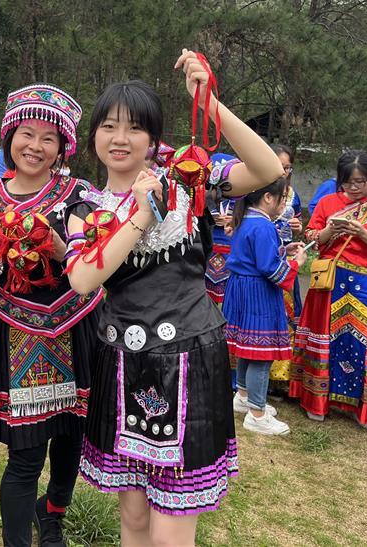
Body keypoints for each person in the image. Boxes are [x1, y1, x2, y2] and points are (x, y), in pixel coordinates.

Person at [66, 52, 283, 546]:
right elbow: (83, 279)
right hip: (122, 362)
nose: (120, 138)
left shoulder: (187, 183)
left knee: (170, 532)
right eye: (109, 126)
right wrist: (141, 214)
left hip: (188, 358)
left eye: (135, 128)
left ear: (153, 138)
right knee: (133, 518)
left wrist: (209, 105)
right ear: (93, 136)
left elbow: (267, 168)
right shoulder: (85, 208)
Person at [0, 84, 102, 547]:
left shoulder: (79, 196)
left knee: (71, 438)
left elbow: (93, 267)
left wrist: (59, 248)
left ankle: (53, 513)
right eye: (27, 134)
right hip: (19, 334)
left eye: (48, 138)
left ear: (63, 147)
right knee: (24, 458)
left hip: (75, 329)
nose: (35, 146)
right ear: (10, 137)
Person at [290, 150, 367, 430]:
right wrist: (331, 231)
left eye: (360, 181)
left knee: (361, 345)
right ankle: (317, 399)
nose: (354, 187)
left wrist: (362, 233)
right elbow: (313, 236)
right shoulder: (328, 202)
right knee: (326, 340)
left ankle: (362, 406)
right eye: (348, 181)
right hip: (330, 283)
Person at [224, 176, 305, 435]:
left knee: (247, 347)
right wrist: (296, 263)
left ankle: (244, 396)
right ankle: (257, 414)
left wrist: (283, 250)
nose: (283, 205)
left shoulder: (245, 219)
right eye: (282, 199)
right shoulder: (263, 225)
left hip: (240, 288)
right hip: (257, 292)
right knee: (261, 352)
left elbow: (255, 255)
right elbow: (270, 268)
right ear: (268, 198)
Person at [269, 144, 304, 391]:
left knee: (288, 314)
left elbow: (297, 222)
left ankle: (282, 376)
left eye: (288, 167)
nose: (284, 172)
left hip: (286, 257)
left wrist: (297, 227)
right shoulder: (255, 190)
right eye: (280, 166)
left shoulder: (293, 195)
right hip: (265, 259)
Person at [205, 152, 236, 306]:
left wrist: (233, 221)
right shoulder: (203, 195)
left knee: (229, 297)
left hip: (231, 248)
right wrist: (210, 217)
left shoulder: (240, 198)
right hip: (209, 246)